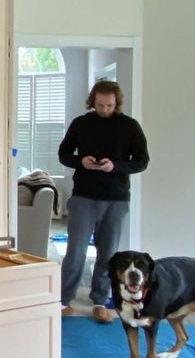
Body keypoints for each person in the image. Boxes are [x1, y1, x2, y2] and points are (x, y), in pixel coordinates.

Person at [58, 80, 148, 323]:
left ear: (116, 103)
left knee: (107, 254)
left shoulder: (130, 126)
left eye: (109, 105)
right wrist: (81, 161)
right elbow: (63, 154)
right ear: (93, 102)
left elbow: (142, 161)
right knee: (75, 251)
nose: (105, 109)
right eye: (100, 105)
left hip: (116, 199)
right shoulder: (80, 123)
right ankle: (63, 300)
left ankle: (100, 301)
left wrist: (114, 166)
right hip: (83, 196)